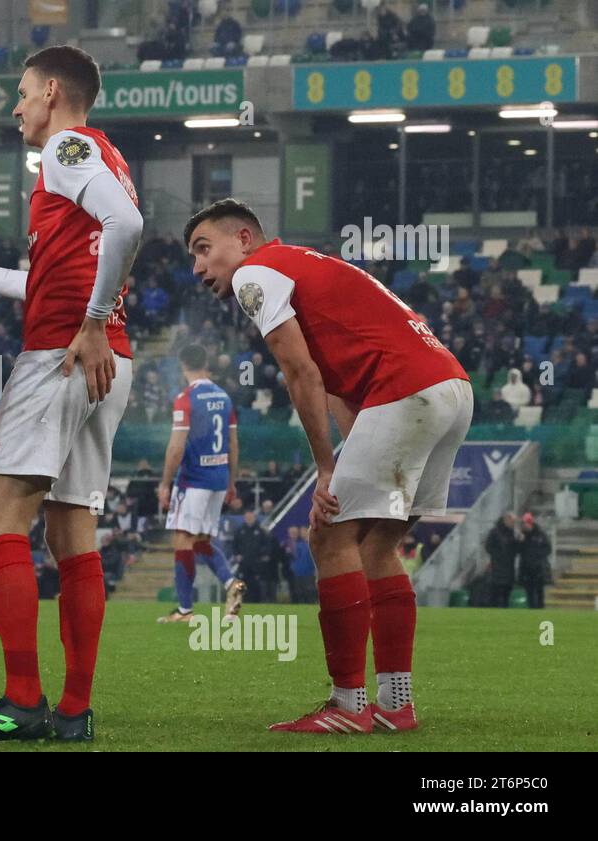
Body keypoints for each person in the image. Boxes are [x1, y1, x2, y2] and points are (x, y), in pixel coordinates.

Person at [186, 197, 472, 734]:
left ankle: (347, 705)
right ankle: (396, 703)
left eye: (204, 249)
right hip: (450, 386)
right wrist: (346, 456)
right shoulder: (303, 263)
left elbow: (301, 374)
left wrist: (325, 469)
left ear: (243, 238)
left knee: (328, 536)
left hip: (404, 388)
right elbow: (338, 381)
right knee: (377, 545)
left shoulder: (257, 274)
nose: (198, 267)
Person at [0, 45, 142, 744]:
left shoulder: (67, 149)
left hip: (63, 353)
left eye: (22, 94)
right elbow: (52, 278)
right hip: (104, 358)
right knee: (72, 529)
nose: (18, 108)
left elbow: (130, 229)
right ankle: (74, 711)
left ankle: (22, 698)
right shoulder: (105, 157)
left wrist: (85, 326)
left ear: (53, 91)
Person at [155, 344, 244, 623]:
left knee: (183, 539)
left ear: (183, 366)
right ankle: (232, 583)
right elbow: (233, 444)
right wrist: (231, 481)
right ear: (206, 363)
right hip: (218, 478)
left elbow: (176, 448)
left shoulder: (186, 398)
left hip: (193, 480)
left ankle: (185, 610)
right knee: (202, 540)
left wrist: (165, 483)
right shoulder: (224, 397)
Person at [518, 513, 551, 609]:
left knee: (539, 592)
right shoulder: (522, 536)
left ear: (530, 523)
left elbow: (548, 549)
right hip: (526, 569)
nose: (523, 525)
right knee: (529, 592)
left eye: (525, 523)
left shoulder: (540, 535)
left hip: (538, 569)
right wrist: (520, 542)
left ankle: (540, 609)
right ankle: (532, 609)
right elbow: (518, 550)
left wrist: (537, 556)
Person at [485, 512, 518, 608]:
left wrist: (518, 542)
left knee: (506, 594)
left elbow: (514, 550)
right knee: (495, 594)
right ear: (506, 520)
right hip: (498, 568)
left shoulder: (511, 533)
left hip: (509, 568)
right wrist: (499, 555)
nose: (513, 524)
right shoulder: (495, 532)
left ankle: (504, 610)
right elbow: (488, 547)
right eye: (512, 522)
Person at [287, 526, 316, 603]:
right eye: (301, 531)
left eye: (304, 531)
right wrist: (293, 567)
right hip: (298, 573)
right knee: (299, 592)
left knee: (309, 591)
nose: (302, 533)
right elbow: (294, 557)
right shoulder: (298, 544)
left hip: (309, 572)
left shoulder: (313, 543)